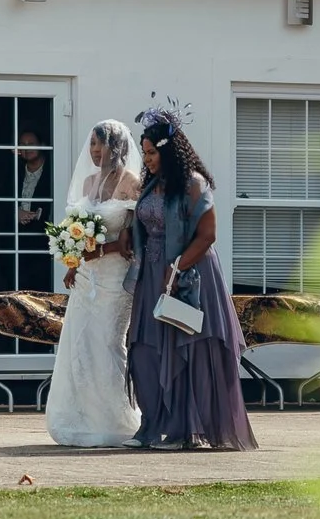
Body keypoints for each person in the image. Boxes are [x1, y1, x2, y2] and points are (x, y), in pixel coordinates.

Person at [126, 110, 257, 451]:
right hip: (152, 272)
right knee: (145, 349)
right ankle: (153, 424)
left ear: (169, 151)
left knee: (185, 349)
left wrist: (177, 268)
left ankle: (185, 429)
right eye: (145, 153)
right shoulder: (154, 184)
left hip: (189, 275)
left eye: (152, 152)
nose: (148, 159)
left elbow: (207, 235)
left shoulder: (194, 184)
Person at [45, 120, 143, 447]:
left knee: (109, 344)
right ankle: (79, 417)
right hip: (86, 276)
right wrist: (72, 261)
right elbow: (78, 231)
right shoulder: (88, 182)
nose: (96, 151)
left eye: (101, 145)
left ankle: (117, 420)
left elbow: (133, 244)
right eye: (92, 145)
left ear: (118, 147)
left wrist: (104, 248)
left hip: (115, 278)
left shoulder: (131, 184)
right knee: (80, 344)